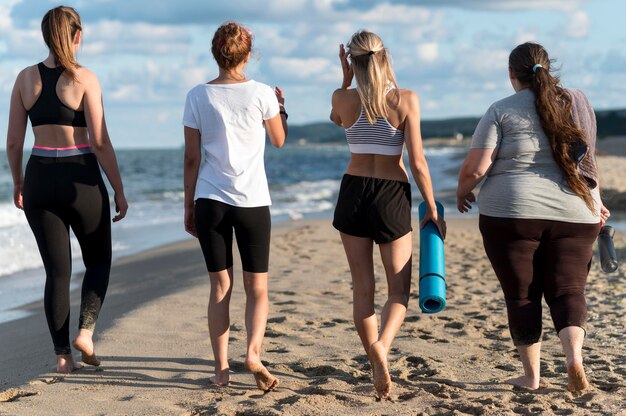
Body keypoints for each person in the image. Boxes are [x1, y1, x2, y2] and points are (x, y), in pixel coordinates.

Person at [456, 42, 610, 393]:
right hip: (575, 212)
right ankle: (574, 361)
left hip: (512, 215)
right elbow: (586, 162)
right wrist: (595, 199)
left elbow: (477, 168)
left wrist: (462, 191)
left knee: (522, 295)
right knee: (569, 289)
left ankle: (532, 378)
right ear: (548, 67)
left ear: (512, 74)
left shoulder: (500, 110)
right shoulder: (576, 102)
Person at [6, 6, 128, 373]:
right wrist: (118, 189)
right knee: (99, 261)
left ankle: (63, 358)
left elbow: (13, 143)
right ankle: (86, 333)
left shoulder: (24, 79)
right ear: (78, 36)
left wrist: (18, 181)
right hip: (82, 178)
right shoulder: (85, 79)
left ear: (45, 35)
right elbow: (101, 142)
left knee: (57, 273)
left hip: (40, 178)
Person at [330, 30, 445, 399]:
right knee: (398, 290)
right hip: (391, 193)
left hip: (352, 191)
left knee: (362, 288)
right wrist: (430, 206)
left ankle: (371, 354)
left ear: (352, 59)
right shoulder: (405, 99)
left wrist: (346, 82)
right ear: (385, 57)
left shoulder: (342, 98)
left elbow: (337, 119)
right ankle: (382, 347)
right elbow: (418, 161)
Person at [182, 21, 288, 392]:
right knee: (257, 287)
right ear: (248, 55)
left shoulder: (197, 95)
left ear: (216, 52)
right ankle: (254, 354)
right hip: (252, 202)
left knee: (219, 287)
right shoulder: (262, 93)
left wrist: (188, 204)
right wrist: (281, 109)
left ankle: (221, 370)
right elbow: (278, 140)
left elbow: (192, 159)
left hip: (210, 199)